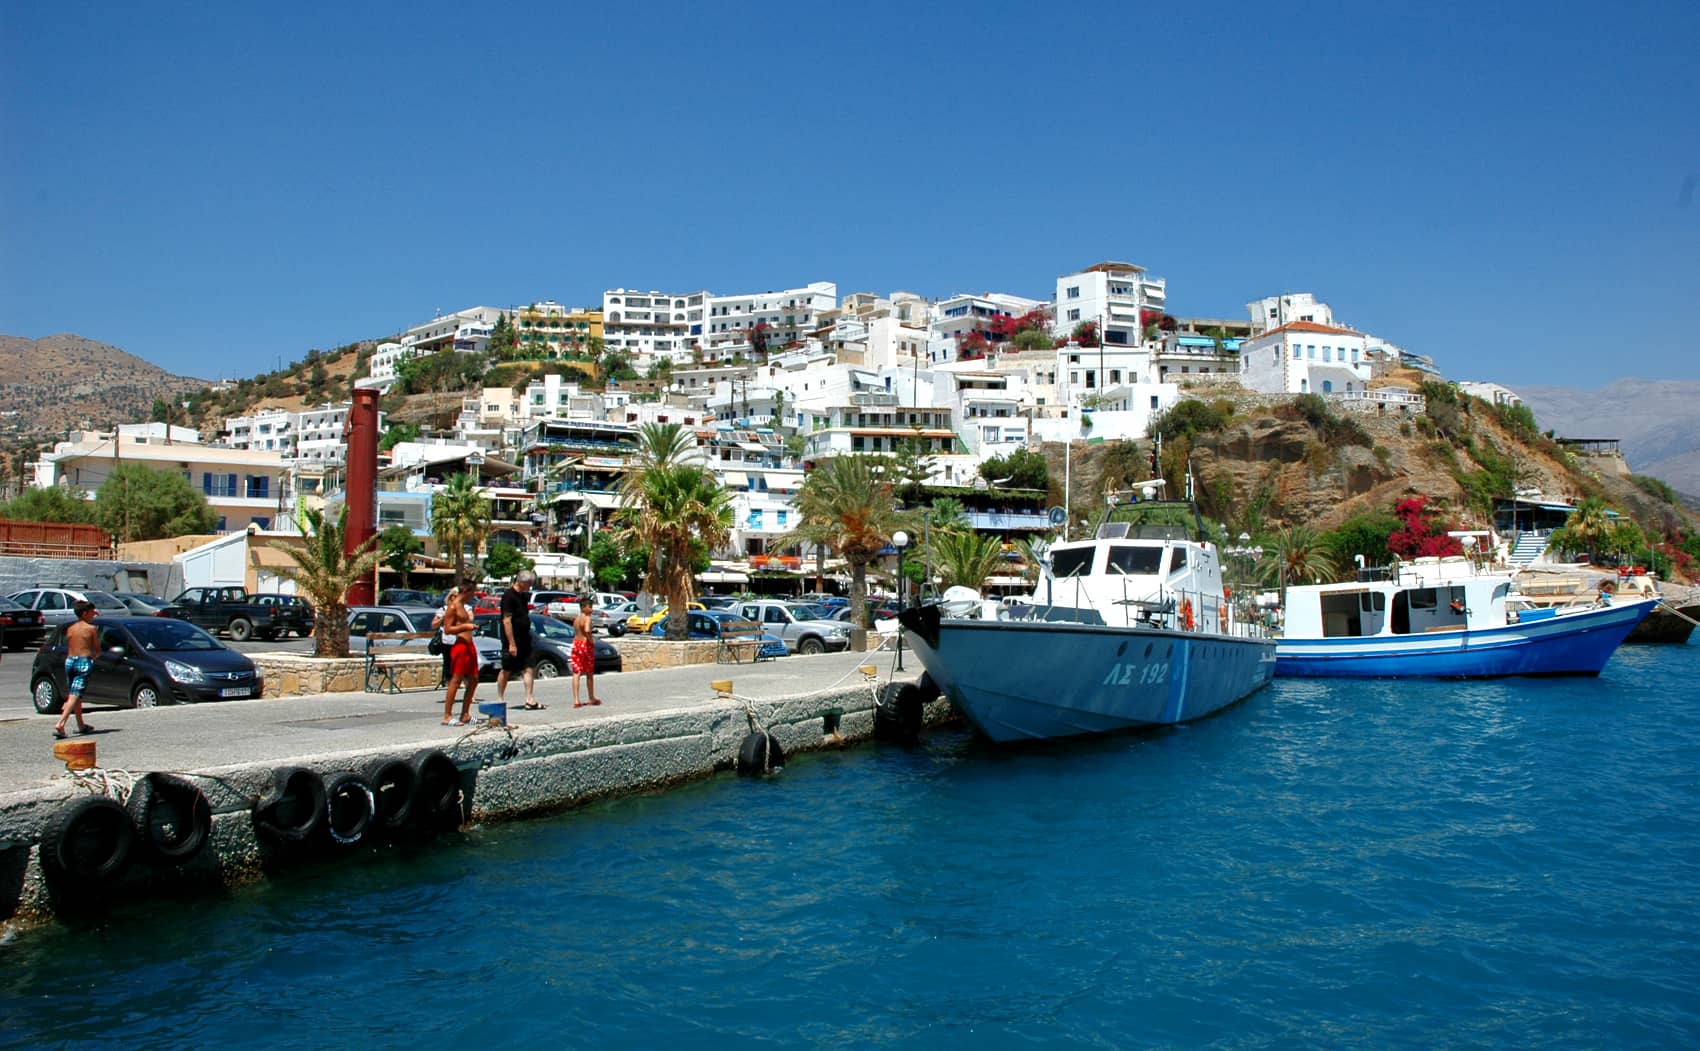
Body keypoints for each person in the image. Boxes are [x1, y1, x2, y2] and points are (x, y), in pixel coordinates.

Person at [53, 600, 99, 739]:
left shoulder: (71, 628)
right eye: (91, 612)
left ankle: (81, 724)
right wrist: (93, 658)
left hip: (70, 661)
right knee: (75, 695)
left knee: (76, 694)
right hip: (83, 662)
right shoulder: (91, 629)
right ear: (85, 613)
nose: (93, 615)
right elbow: (97, 649)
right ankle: (61, 723)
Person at [498, 570, 541, 710]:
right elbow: (506, 621)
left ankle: (529, 699)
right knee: (507, 669)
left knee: (529, 667)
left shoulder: (523, 596)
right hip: (512, 640)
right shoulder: (509, 596)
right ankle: (500, 698)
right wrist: (511, 644)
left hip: (525, 638)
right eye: (529, 583)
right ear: (522, 582)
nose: (530, 586)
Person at [439, 580, 478, 726]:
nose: (473, 595)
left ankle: (465, 714)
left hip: (469, 645)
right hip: (460, 646)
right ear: (466, 591)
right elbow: (448, 629)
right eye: (472, 592)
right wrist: (465, 626)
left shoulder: (463, 606)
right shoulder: (453, 607)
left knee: (474, 679)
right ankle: (447, 715)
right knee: (456, 680)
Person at [570, 595, 601, 708]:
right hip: (585, 645)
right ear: (583, 607)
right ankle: (591, 697)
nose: (591, 609)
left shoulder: (576, 619)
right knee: (589, 673)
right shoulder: (587, 618)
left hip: (576, 644)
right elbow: (587, 629)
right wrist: (591, 640)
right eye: (590, 607)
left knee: (576, 672)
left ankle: (576, 699)